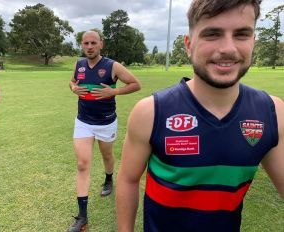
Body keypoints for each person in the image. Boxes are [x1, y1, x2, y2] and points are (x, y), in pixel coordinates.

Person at [116, 0, 284, 231]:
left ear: (254, 41)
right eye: (212, 34)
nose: (228, 48)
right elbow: (128, 179)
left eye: (242, 34)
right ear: (188, 45)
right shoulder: (151, 112)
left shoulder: (272, 112)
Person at [67, 30, 141, 232]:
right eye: (85, 43)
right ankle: (82, 217)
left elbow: (136, 84)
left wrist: (114, 91)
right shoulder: (79, 64)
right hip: (83, 121)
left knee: (107, 156)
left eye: (93, 43)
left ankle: (109, 178)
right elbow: (72, 82)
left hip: (106, 122)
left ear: (101, 44)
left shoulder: (112, 66)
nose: (89, 47)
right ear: (82, 45)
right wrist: (73, 88)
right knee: (82, 164)